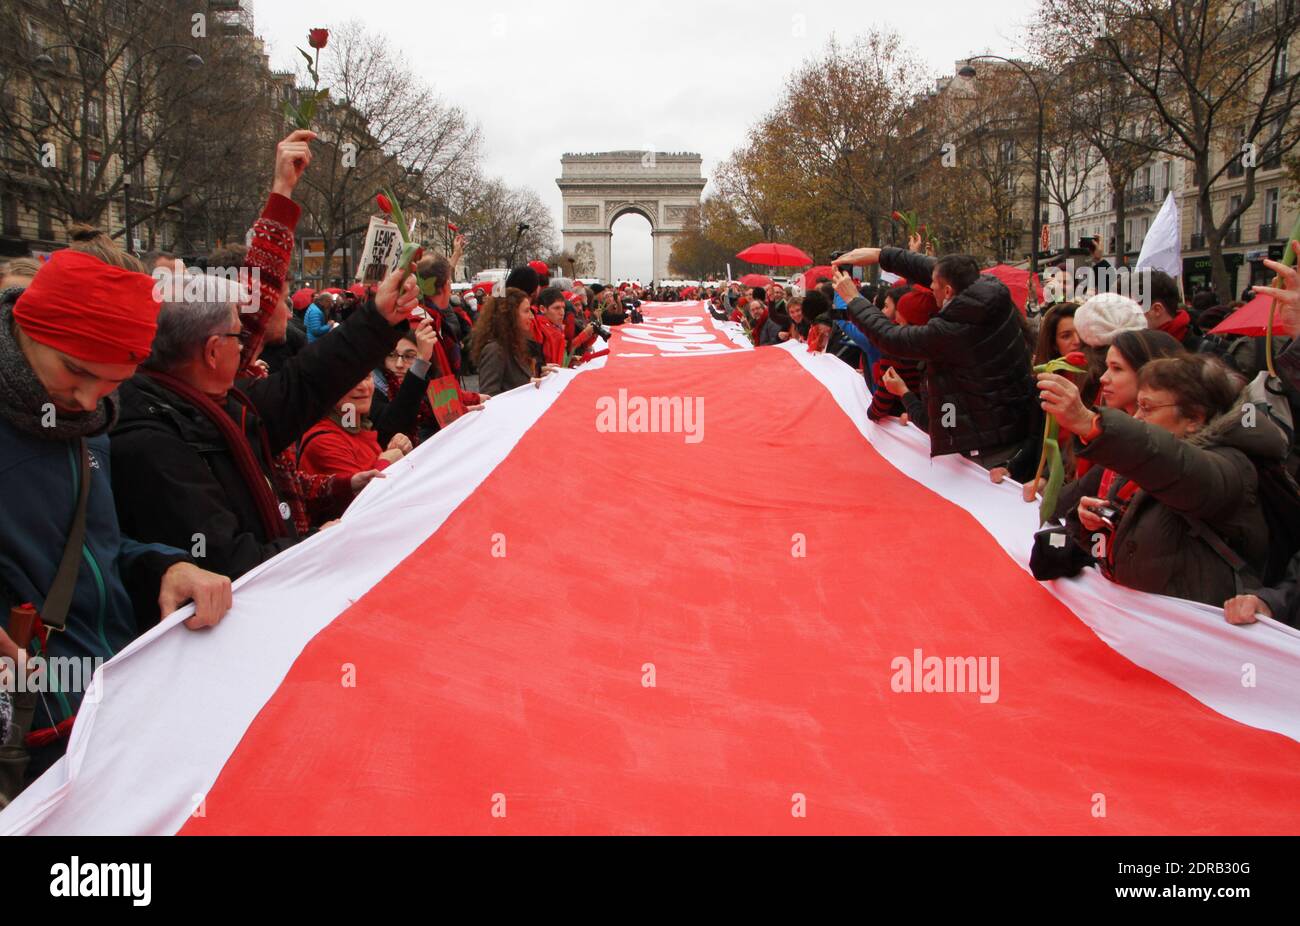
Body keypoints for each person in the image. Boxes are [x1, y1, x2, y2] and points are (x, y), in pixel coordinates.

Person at [0, 245, 232, 786]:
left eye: (112, 382)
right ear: (29, 332)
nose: (86, 399)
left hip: (108, 713)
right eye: (76, 371)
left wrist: (167, 566)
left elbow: (96, 550)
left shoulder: (90, 424)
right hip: (30, 739)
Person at [1039, 353, 1285, 606]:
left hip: (1193, 636)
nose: (1136, 418)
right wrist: (1092, 527)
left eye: (1147, 408)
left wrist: (1089, 423)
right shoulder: (1144, 464)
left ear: (1194, 418)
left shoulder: (1231, 466)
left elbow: (1175, 465)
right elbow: (1107, 552)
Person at [833, 246, 1038, 474]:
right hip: (1006, 422)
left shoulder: (953, 330)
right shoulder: (988, 291)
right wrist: (881, 255)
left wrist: (852, 299)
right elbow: (936, 269)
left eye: (933, 285)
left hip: (988, 448)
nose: (929, 287)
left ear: (948, 291)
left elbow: (890, 338)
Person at [298, 377, 412, 480]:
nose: (363, 386)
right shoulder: (324, 441)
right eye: (351, 379)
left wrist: (396, 451)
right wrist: (387, 462)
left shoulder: (354, 424)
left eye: (366, 377)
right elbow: (363, 498)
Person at [473, 288, 546, 395]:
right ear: (510, 315)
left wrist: (539, 373)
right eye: (526, 311)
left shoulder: (515, 343)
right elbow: (489, 395)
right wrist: (527, 386)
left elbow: (515, 379)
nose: (531, 316)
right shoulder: (495, 350)